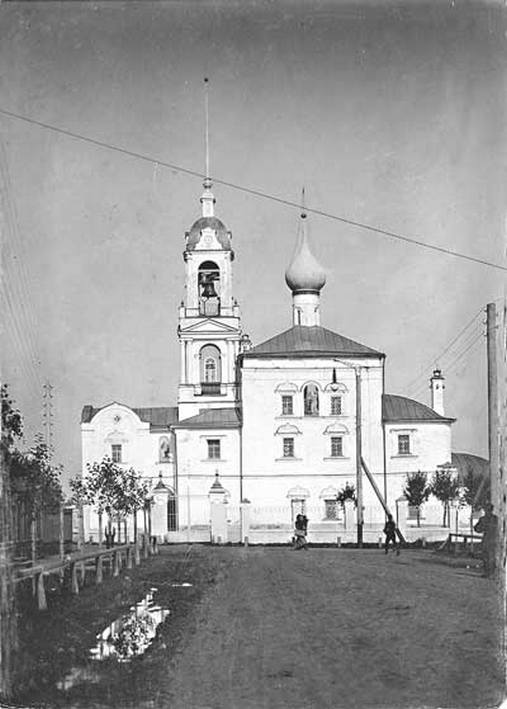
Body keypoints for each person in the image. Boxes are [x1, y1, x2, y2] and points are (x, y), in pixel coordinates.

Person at [474, 503, 498, 578]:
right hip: (492, 540)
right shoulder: (495, 518)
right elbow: (477, 529)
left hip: (488, 540)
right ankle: (489, 573)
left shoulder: (484, 519)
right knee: (488, 557)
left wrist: (482, 527)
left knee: (488, 557)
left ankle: (488, 573)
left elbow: (477, 529)